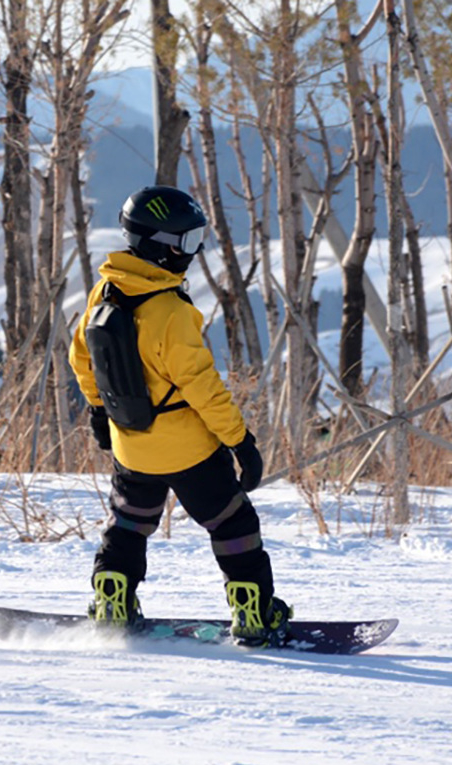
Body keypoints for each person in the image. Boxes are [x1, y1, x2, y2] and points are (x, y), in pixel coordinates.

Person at [69, 185, 291, 647]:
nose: (194, 252)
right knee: (233, 524)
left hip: (131, 444)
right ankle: (254, 610)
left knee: (129, 523)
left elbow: (81, 357)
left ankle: (112, 596)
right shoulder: (170, 311)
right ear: (159, 244)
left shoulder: (105, 291)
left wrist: (97, 409)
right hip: (189, 451)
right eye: (187, 242)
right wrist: (239, 441)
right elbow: (203, 387)